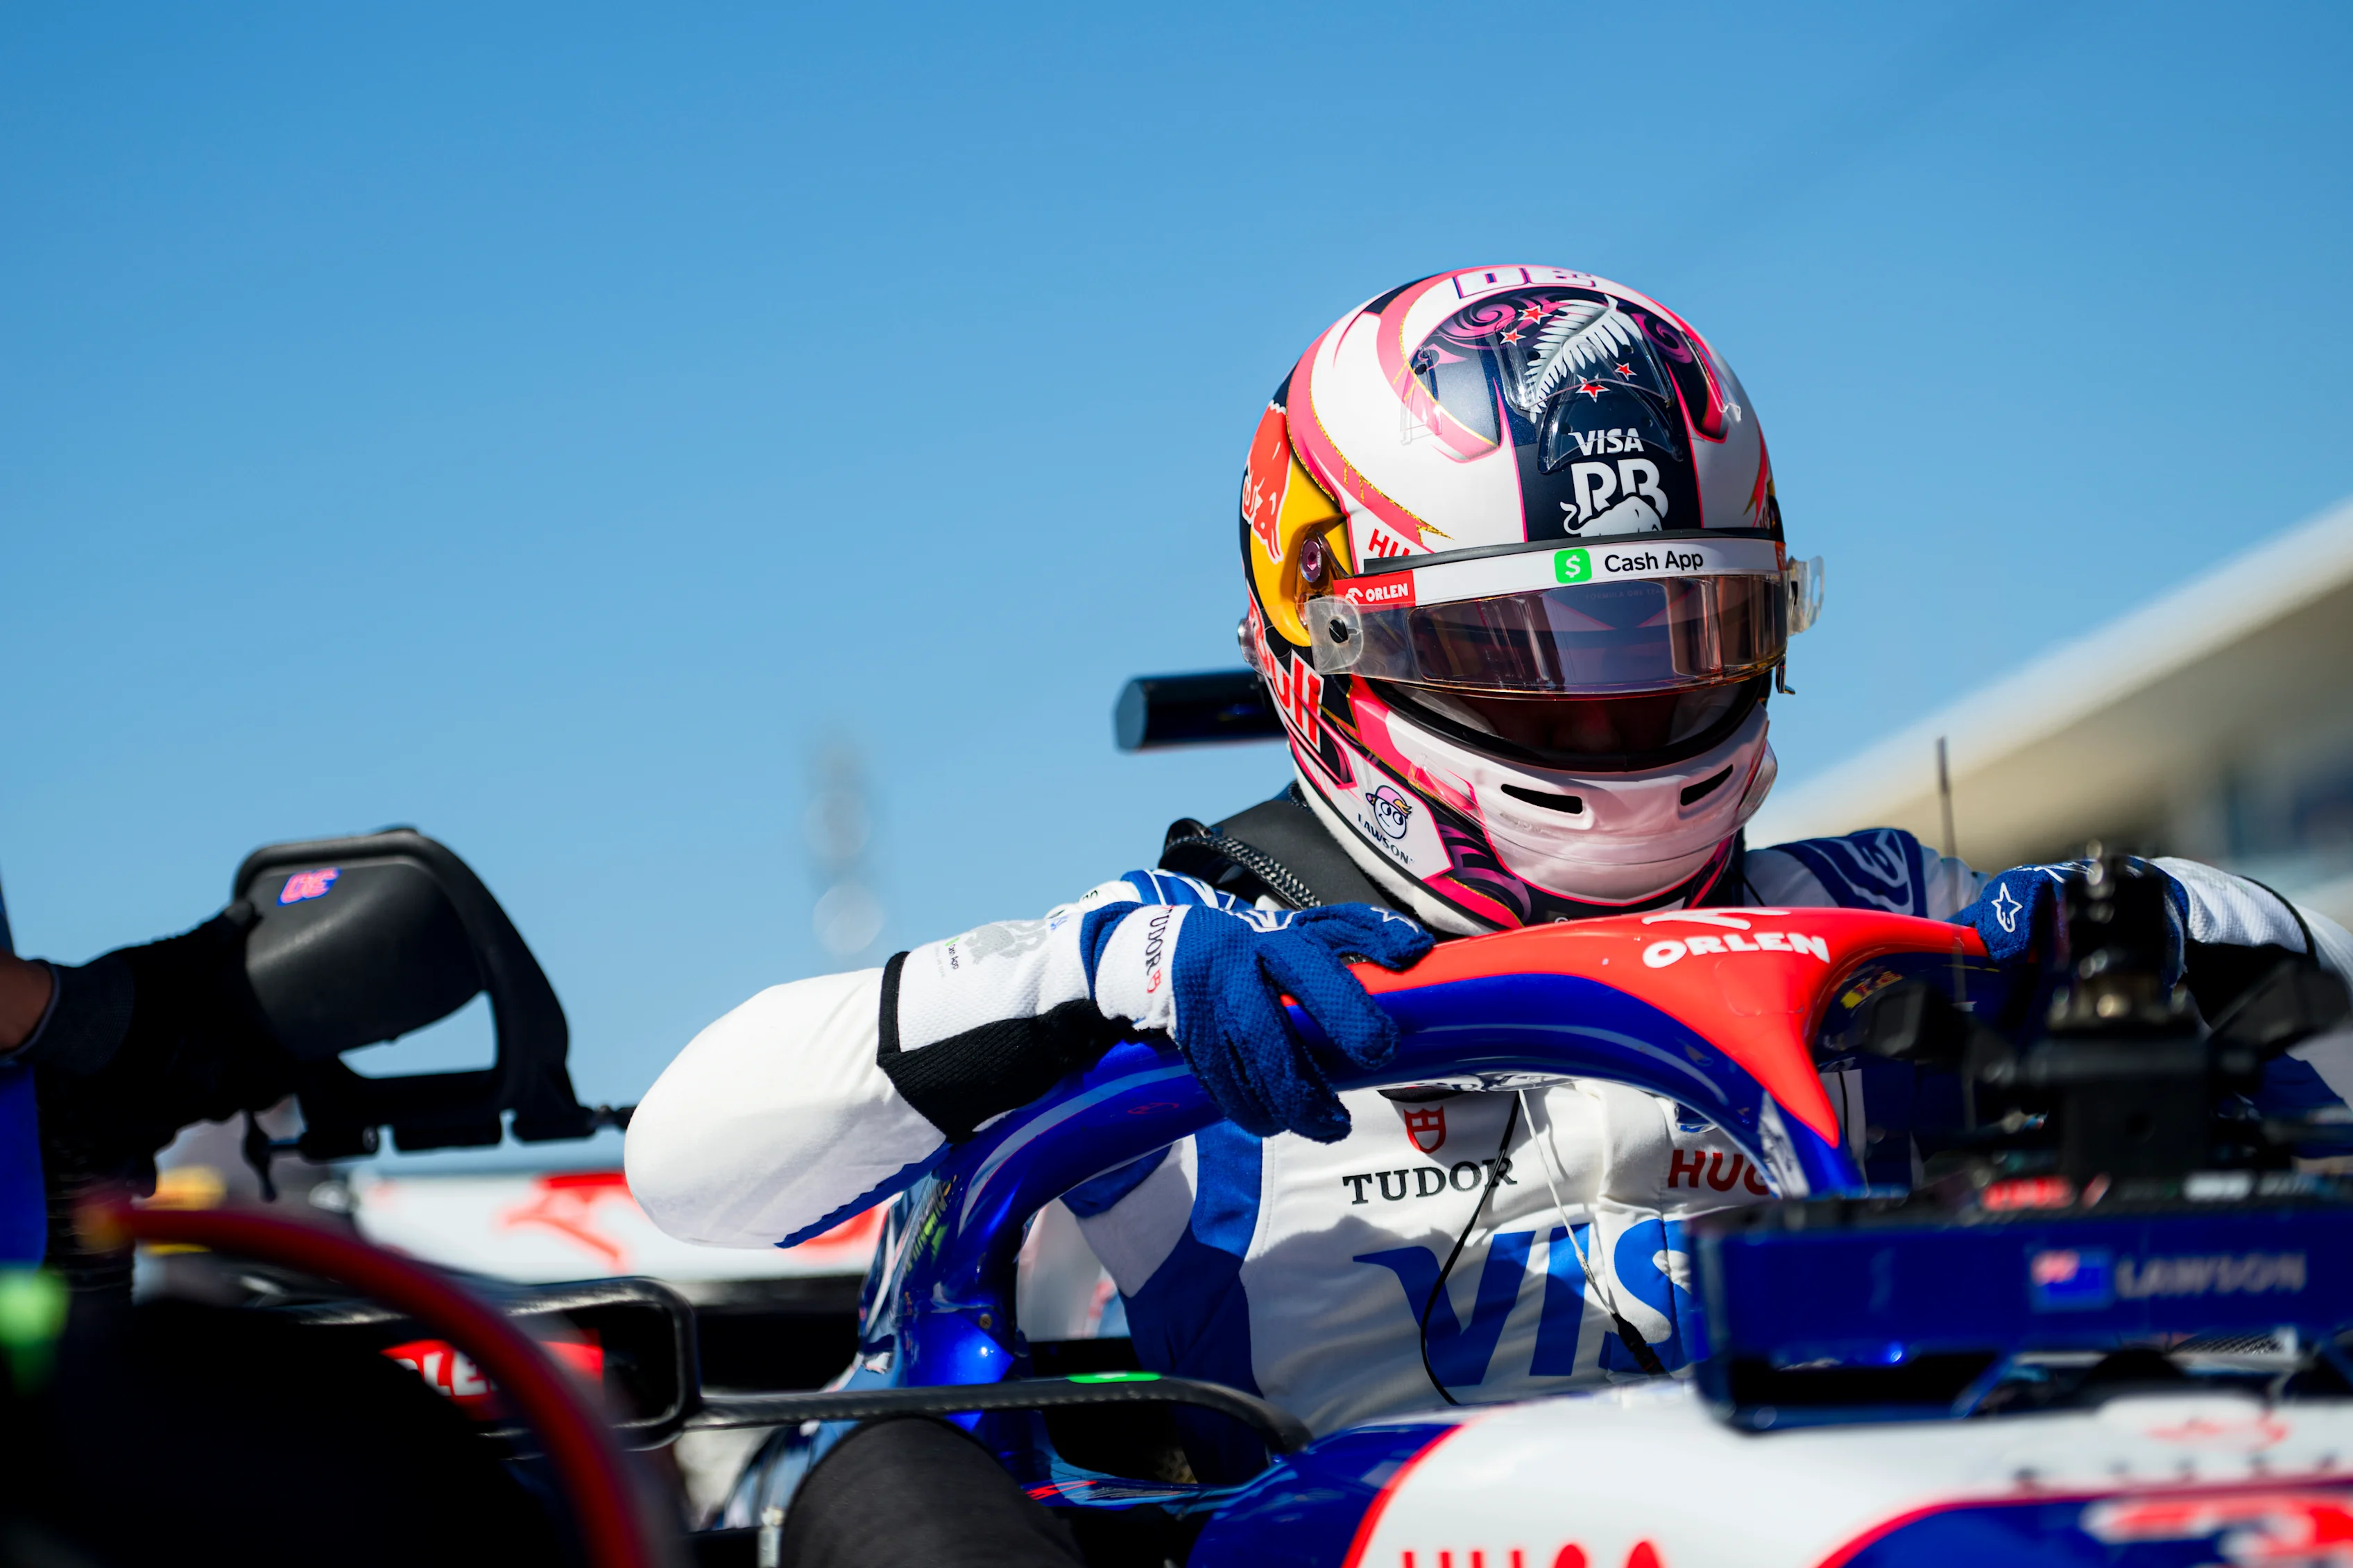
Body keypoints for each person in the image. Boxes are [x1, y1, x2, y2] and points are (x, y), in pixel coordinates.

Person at [624, 266, 2353, 1522]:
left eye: (1675, 641)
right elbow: (691, 1160)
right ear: (1329, 645)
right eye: (1530, 656)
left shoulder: (1894, 914)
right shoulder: (1171, 980)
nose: (1618, 721)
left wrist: (2135, 939)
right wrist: (1099, 976)